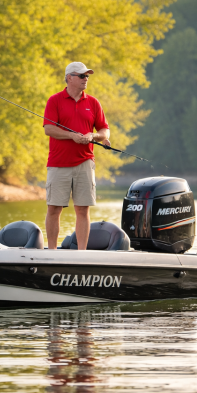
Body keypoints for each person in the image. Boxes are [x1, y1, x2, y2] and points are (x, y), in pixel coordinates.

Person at [43, 62, 111, 251]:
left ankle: (81, 254)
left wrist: (93, 136)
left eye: (87, 76)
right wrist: (72, 136)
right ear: (69, 77)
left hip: (85, 163)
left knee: (82, 209)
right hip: (58, 163)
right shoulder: (54, 101)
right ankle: (52, 252)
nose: (85, 79)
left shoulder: (93, 103)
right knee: (54, 209)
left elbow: (105, 131)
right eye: (81, 76)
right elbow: (49, 129)